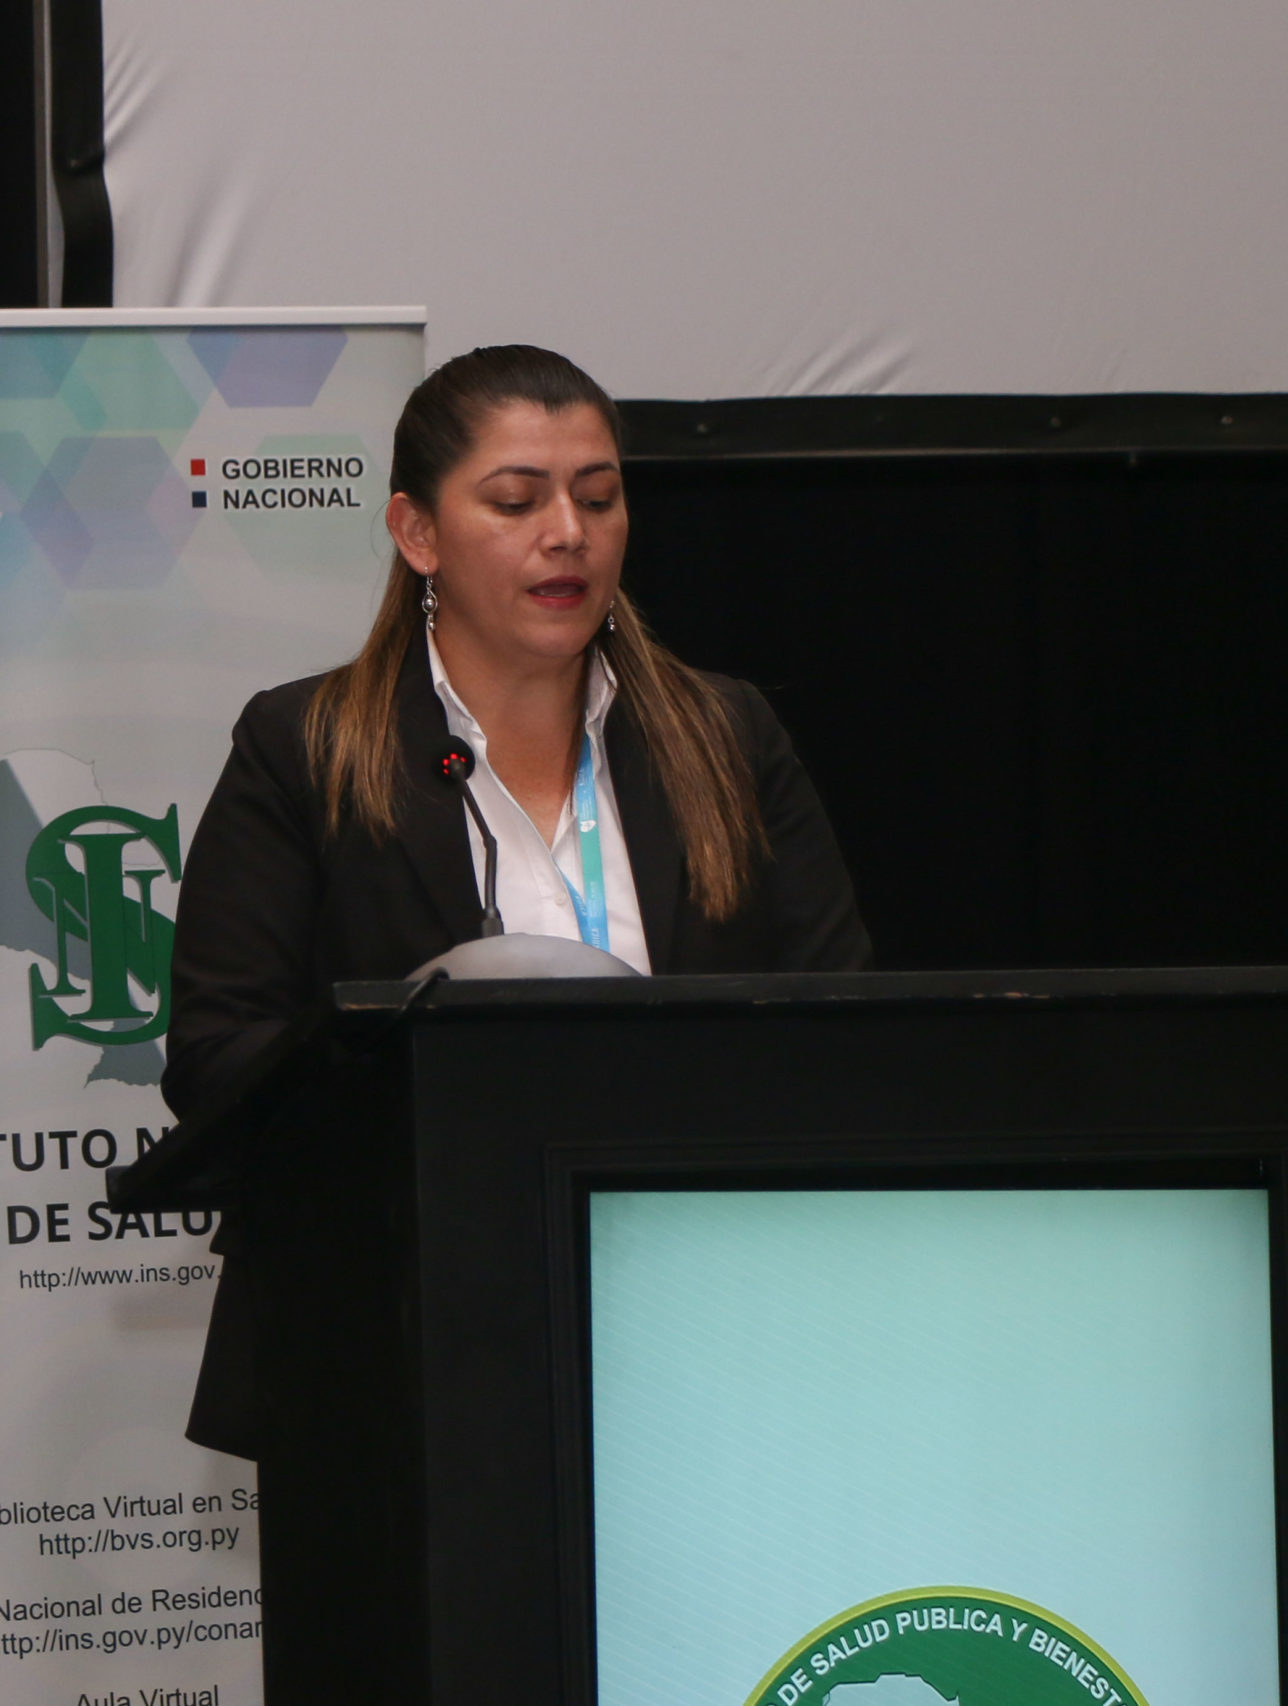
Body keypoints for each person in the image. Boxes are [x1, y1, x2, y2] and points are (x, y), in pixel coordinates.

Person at [164, 344, 872, 1455]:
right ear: (418, 533)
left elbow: (847, 1022)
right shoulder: (305, 749)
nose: (568, 533)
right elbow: (218, 1054)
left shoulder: (726, 735)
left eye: (598, 496)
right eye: (516, 500)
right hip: (396, 1331)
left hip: (701, 1318)